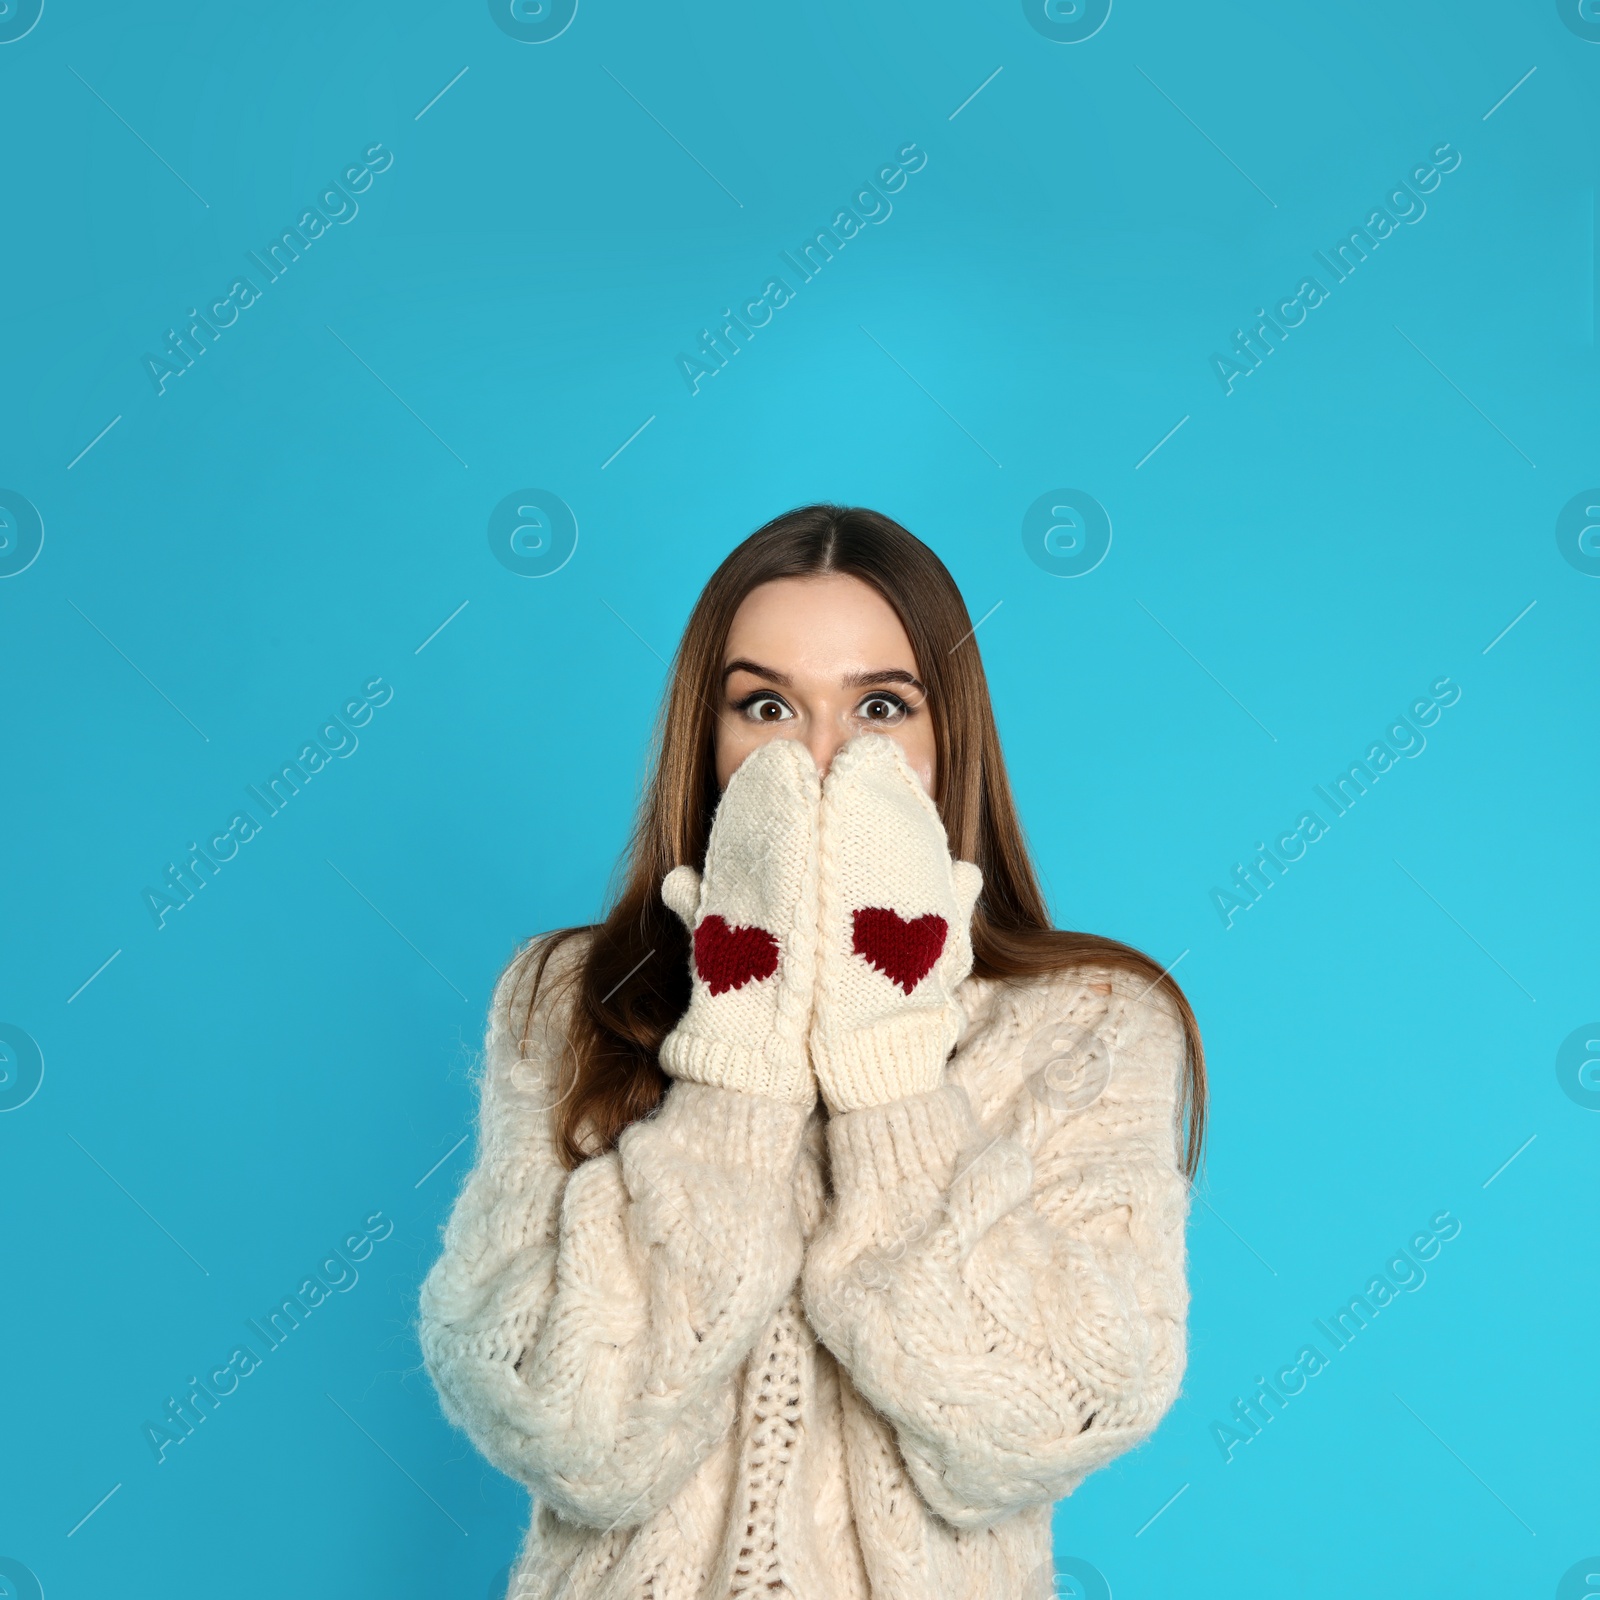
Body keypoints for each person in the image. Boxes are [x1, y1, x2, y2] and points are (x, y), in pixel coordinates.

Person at [418, 503, 1206, 1599]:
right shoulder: (569, 998)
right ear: (712, 738)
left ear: (950, 740)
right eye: (767, 706)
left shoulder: (1091, 1021)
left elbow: (1044, 1415)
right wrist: (737, 1053)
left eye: (880, 705)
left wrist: (882, 1062)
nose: (823, 757)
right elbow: (569, 1433)